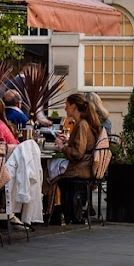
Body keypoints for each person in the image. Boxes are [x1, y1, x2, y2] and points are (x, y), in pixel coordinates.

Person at [52, 93, 102, 224]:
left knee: (50, 172)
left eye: (66, 105)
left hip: (79, 169)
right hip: (85, 166)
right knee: (53, 170)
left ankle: (53, 212)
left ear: (73, 106)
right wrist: (69, 140)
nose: (65, 108)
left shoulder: (81, 125)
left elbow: (78, 153)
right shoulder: (85, 124)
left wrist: (62, 146)